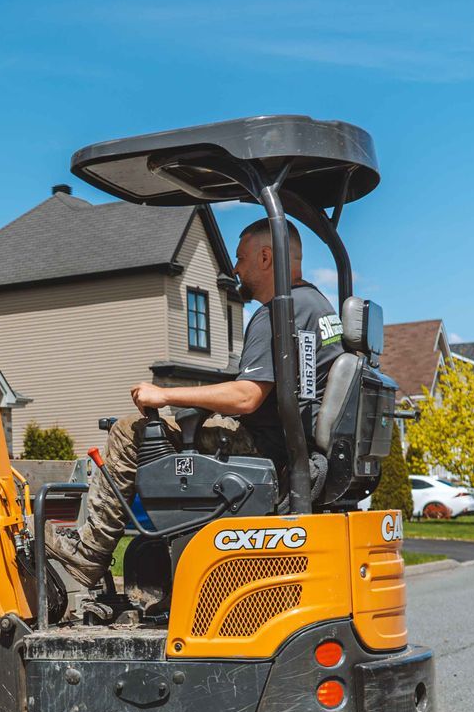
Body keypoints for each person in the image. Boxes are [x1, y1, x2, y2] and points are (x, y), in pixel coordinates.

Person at [44, 218, 343, 589]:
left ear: (266, 258)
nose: (236, 269)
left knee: (127, 432)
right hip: (292, 450)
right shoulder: (318, 306)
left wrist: (165, 395)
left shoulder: (277, 313)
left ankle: (88, 553)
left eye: (241, 258)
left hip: (268, 451)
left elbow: (247, 396)